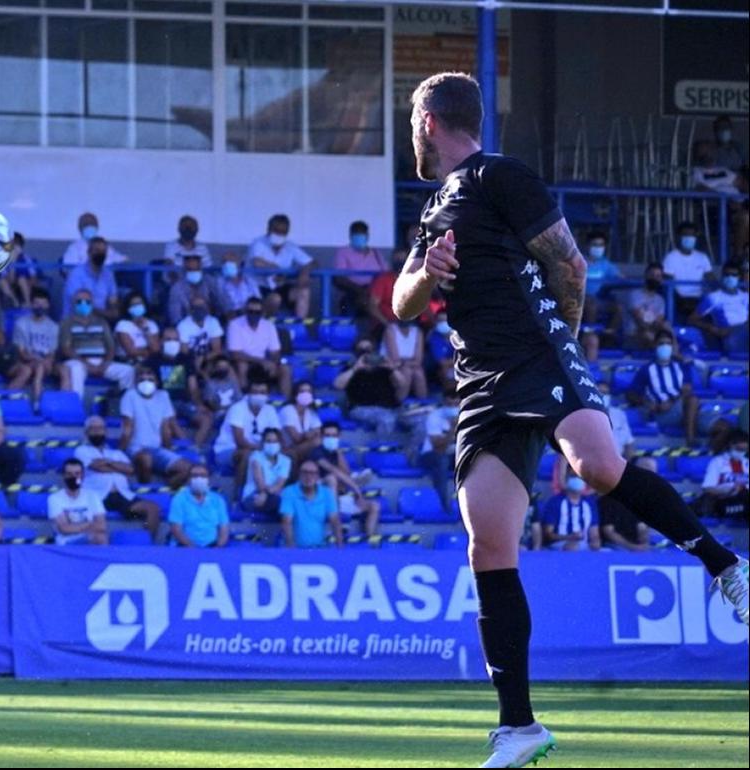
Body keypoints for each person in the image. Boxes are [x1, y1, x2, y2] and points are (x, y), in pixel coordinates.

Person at [393, 71, 747, 768]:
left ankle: (726, 565)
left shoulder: (500, 176)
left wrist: (565, 351)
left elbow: (571, 264)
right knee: (488, 544)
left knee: (596, 465)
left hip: (536, 351)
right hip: (479, 385)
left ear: (430, 121)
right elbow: (403, 305)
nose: (409, 128)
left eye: (411, 117)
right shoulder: (434, 212)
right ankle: (519, 728)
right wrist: (428, 271)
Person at [7, 287, 61, 405]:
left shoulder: (53, 327)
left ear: (48, 305)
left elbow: (52, 354)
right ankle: (10, 402)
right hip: (23, 363)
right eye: (37, 303)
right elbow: (22, 354)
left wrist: (45, 361)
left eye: (43, 304)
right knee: (31, 369)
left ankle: (60, 405)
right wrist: (39, 360)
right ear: (31, 304)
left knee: (48, 368)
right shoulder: (21, 323)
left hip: (45, 364)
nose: (40, 307)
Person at [47, 459, 108, 545]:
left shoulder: (93, 496)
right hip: (67, 542)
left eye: (77, 474)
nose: (73, 477)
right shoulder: (54, 498)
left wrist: (76, 527)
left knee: (101, 536)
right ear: (64, 476)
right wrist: (90, 524)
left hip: (91, 539)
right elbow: (64, 529)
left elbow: (101, 526)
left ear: (83, 476)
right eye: (69, 474)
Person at [280, 460, 339, 548]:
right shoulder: (289, 492)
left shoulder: (327, 493)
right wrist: (291, 551)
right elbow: (287, 521)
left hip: (320, 548)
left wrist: (340, 550)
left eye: (312, 473)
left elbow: (335, 521)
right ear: (299, 475)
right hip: (296, 549)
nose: (308, 476)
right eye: (305, 472)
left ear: (318, 476)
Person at [168, 464, 229, 548]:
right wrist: (193, 549)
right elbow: (176, 528)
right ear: (189, 479)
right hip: (185, 548)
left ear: (208, 479)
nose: (199, 479)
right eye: (195, 476)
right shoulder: (179, 499)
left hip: (212, 548)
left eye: (203, 476)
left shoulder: (218, 500)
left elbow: (224, 528)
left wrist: (218, 547)